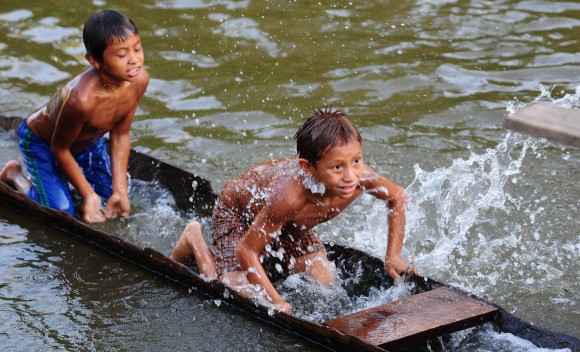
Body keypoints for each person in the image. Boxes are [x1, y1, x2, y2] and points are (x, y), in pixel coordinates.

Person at [171, 107, 411, 313]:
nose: (350, 176)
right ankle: (194, 239)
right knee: (238, 290)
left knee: (326, 281)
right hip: (239, 212)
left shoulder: (361, 179)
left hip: (289, 222)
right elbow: (246, 250)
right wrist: (275, 301)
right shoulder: (290, 196)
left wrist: (393, 256)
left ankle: (277, 257)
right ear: (309, 168)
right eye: (338, 167)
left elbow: (398, 197)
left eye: (356, 161)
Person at [0, 10, 149, 223]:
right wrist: (88, 195)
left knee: (115, 203)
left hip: (87, 142)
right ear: (95, 61)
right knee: (61, 212)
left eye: (137, 48)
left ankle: (77, 186)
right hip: (43, 143)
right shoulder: (81, 99)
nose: (134, 60)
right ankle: (15, 176)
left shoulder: (139, 80)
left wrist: (120, 190)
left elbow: (121, 134)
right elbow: (59, 149)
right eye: (122, 55)